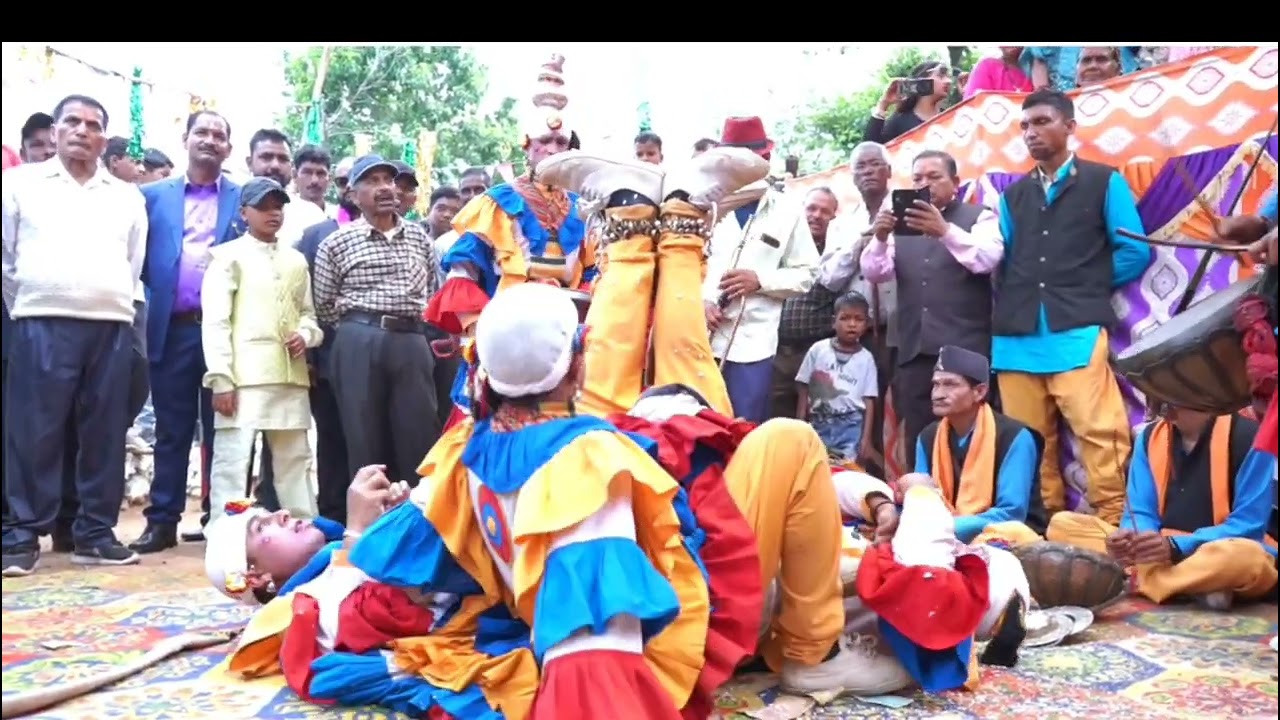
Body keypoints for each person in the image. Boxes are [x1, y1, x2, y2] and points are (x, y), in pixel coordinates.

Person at [2, 94, 147, 575]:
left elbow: (133, 262)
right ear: (57, 129)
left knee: (104, 432)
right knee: (33, 431)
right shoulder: (20, 184)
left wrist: (107, 301)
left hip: (110, 326)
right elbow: (5, 261)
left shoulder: (126, 196)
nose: (83, 131)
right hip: (40, 321)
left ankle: (94, 533)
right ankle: (21, 534)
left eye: (93, 125)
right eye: (73, 122)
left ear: (104, 137)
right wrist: (33, 300)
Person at [992, 90, 1151, 524]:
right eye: (1025, 126)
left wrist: (1083, 286)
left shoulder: (1103, 181)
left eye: (1042, 122)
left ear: (1069, 126)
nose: (1031, 133)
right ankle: (1043, 533)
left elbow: (1135, 252)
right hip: (1016, 334)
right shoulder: (1013, 196)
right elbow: (999, 259)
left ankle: (1118, 526)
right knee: (1026, 441)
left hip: (1077, 327)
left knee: (1101, 433)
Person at [424, 55, 596, 428]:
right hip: (505, 339)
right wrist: (476, 337)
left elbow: (595, 274)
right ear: (527, 145)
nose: (553, 150)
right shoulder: (495, 203)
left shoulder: (584, 209)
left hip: (567, 338)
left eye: (561, 142)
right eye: (545, 141)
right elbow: (461, 277)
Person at [134, 110, 242, 552]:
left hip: (226, 335)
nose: (211, 140)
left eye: (220, 134)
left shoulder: (244, 197)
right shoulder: (151, 197)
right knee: (171, 429)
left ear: (229, 149)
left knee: (224, 431)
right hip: (172, 329)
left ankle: (220, 522)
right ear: (185, 139)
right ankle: (162, 521)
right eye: (203, 132)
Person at [1046, 403, 1277, 608]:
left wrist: (1176, 546)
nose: (1163, 408)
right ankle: (1188, 585)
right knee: (1062, 525)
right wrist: (1133, 541)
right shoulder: (1149, 437)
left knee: (1247, 558)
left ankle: (1141, 582)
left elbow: (1248, 525)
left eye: (1174, 397)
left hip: (1214, 550)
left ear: (1202, 393)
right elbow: (1139, 511)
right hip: (1159, 552)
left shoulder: (1251, 438)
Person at [861, 149, 1005, 456]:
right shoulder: (902, 226)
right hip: (915, 350)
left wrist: (945, 231)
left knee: (970, 434)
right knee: (919, 435)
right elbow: (875, 273)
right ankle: (922, 497)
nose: (925, 184)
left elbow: (987, 259)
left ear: (955, 181)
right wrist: (881, 237)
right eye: (918, 179)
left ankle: (971, 499)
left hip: (965, 349)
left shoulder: (978, 217)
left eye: (934, 177)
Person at [311, 155, 442, 485]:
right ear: (353, 195)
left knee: (419, 437)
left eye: (388, 180)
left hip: (412, 340)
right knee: (363, 438)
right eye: (372, 181)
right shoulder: (336, 243)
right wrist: (359, 329)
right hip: (358, 340)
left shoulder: (419, 238)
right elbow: (323, 304)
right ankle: (370, 529)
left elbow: (432, 291)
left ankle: (418, 524)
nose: (384, 188)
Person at [200, 178, 322, 523]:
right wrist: (221, 379)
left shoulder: (297, 260)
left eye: (278, 206)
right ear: (244, 213)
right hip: (244, 378)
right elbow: (216, 323)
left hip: (290, 376)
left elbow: (309, 316)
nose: (273, 213)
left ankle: (303, 532)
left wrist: (305, 335)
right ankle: (226, 536)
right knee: (233, 462)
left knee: (295, 462)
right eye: (264, 206)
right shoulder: (227, 258)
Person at [704, 115, 819, 422]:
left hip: (752, 343)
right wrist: (698, 302)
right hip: (698, 336)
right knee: (696, 427)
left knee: (744, 429)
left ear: (765, 159)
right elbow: (681, 265)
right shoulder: (701, 203)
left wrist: (761, 280)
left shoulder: (788, 209)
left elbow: (808, 273)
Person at [913, 346, 1047, 545]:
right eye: (936, 384)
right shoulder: (928, 436)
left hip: (1007, 541)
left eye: (950, 385)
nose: (938, 394)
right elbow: (922, 497)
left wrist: (947, 527)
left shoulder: (1015, 436)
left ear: (979, 391)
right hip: (941, 534)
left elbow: (1011, 512)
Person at [795, 292, 879, 462]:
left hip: (850, 425)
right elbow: (803, 385)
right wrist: (800, 423)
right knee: (815, 465)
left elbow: (869, 400)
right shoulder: (818, 350)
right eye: (845, 318)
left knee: (845, 469)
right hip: (818, 422)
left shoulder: (866, 359)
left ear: (867, 324)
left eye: (858, 319)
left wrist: (866, 439)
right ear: (833, 322)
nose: (852, 324)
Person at [865, 62, 954, 144]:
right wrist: (883, 105)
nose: (948, 81)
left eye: (948, 76)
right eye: (941, 76)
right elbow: (871, 148)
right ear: (921, 81)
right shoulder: (899, 121)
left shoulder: (950, 117)